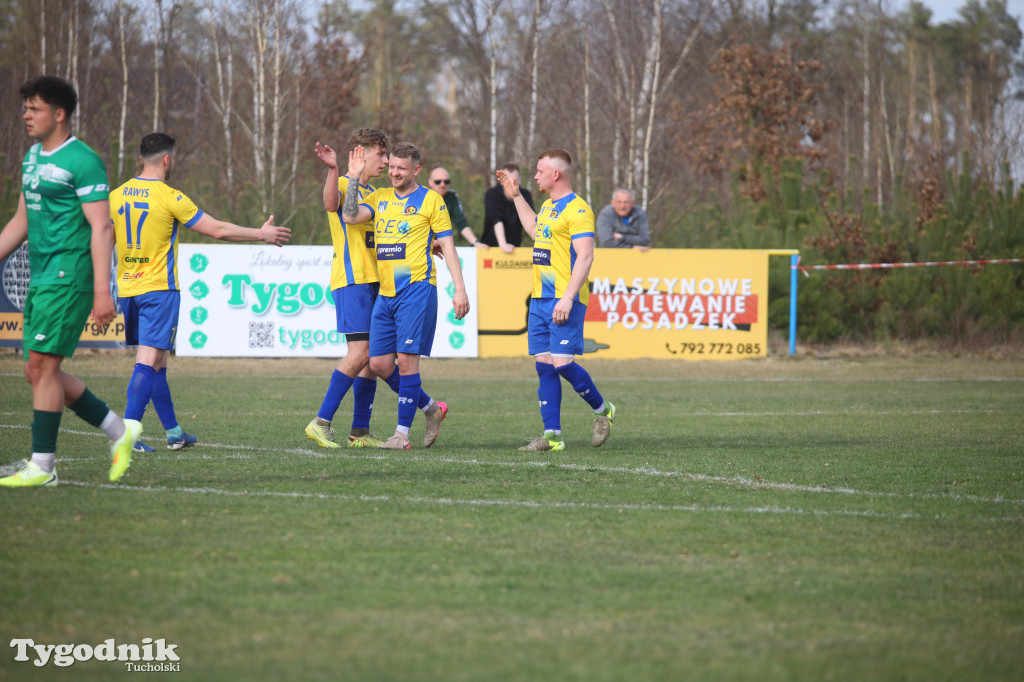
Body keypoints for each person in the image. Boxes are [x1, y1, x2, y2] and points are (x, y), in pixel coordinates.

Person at [0, 76, 141, 487]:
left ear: (59, 115)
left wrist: (103, 291)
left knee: (42, 367)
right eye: (25, 106)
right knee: (37, 369)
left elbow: (102, 228)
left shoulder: (83, 161)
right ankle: (119, 430)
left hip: (69, 276)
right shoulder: (31, 158)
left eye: (35, 108)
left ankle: (43, 467)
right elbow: (21, 222)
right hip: (43, 276)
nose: (26, 114)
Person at [112, 132, 290, 453]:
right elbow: (218, 229)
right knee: (148, 359)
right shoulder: (170, 196)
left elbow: (101, 238)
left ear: (141, 158)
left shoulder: (116, 196)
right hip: (159, 289)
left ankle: (174, 433)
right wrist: (260, 234)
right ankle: (129, 436)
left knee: (158, 362)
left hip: (128, 289)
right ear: (168, 159)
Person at [305, 130, 449, 449]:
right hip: (353, 278)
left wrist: (429, 241)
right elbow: (333, 205)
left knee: (375, 362)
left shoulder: (376, 194)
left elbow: (394, 236)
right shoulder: (347, 184)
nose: (386, 162)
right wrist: (334, 170)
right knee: (361, 354)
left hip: (379, 282)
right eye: (381, 155)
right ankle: (321, 422)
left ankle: (360, 431)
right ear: (361, 154)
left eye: (389, 157)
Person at [342, 142, 469, 449]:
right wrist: (355, 178)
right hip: (386, 294)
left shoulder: (431, 201)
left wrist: (460, 289)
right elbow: (349, 216)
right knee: (381, 364)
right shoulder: (380, 196)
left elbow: (448, 246)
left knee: (408, 362)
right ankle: (431, 409)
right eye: (393, 167)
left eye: (401, 168)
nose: (395, 173)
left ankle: (401, 435)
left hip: (417, 289)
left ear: (416, 170)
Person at [497, 149, 615, 451]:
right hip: (540, 299)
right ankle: (552, 437)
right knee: (544, 366)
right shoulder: (549, 206)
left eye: (539, 171)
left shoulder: (579, 210)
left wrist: (567, 297)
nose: (534, 176)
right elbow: (535, 229)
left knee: (562, 364)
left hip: (564, 299)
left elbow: (586, 256)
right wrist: (516, 197)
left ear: (556, 174)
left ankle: (604, 411)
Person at [474, 163, 535, 252]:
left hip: (514, 249)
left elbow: (531, 221)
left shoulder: (525, 195)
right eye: (507, 180)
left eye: (514, 180)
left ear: (520, 180)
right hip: (490, 249)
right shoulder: (492, 193)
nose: (510, 184)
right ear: (501, 180)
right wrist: (503, 244)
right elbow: (496, 219)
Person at [427, 167, 474, 247]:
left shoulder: (452, 197)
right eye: (438, 182)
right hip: (422, 246)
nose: (443, 184)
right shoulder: (422, 197)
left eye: (446, 181)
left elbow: (461, 222)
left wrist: (475, 242)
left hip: (442, 246)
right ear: (430, 182)